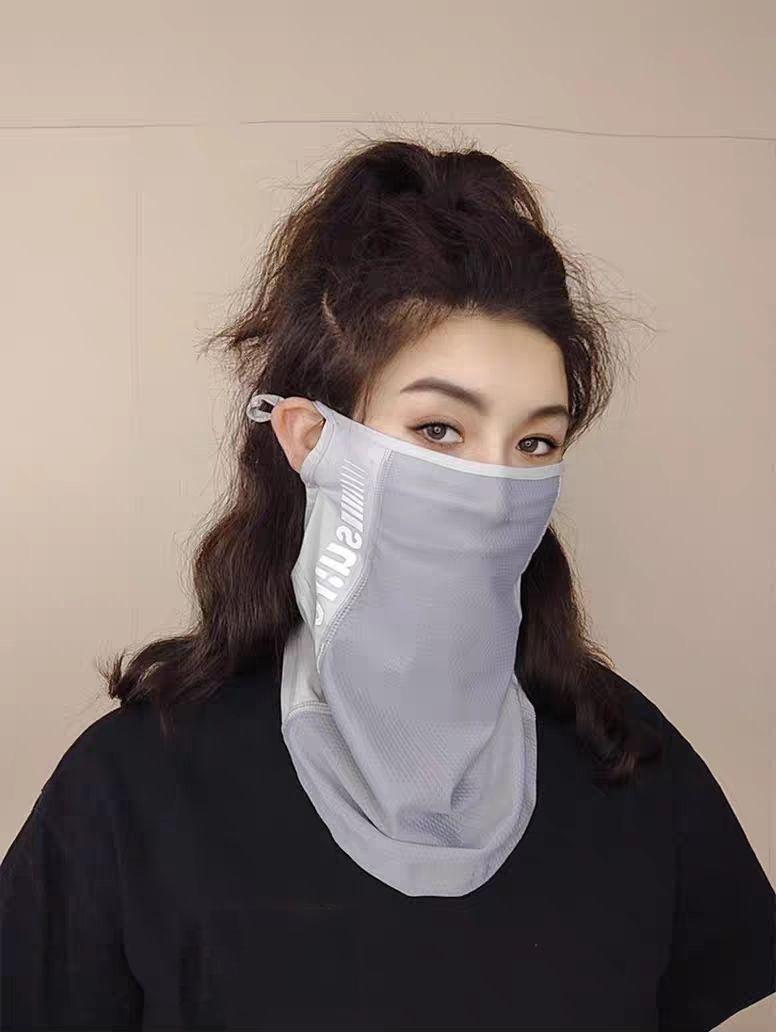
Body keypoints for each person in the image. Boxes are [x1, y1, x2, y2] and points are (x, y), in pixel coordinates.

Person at [1, 137, 773, 1031]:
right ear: (310, 439)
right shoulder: (137, 787)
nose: (495, 487)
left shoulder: (629, 761)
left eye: (536, 443)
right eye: (440, 430)